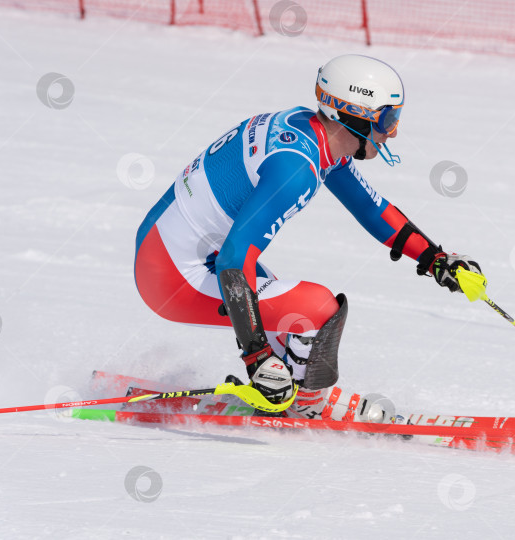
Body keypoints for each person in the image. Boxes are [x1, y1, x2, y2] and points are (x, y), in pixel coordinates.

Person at [134, 54, 483, 420]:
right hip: (172, 275)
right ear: (353, 115)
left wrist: (436, 259)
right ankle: (302, 404)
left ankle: (288, 386)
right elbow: (234, 260)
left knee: (287, 315)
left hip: (167, 251)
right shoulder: (296, 168)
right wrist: (257, 358)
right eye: (387, 119)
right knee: (316, 309)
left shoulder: (311, 133)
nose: (392, 131)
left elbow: (371, 209)